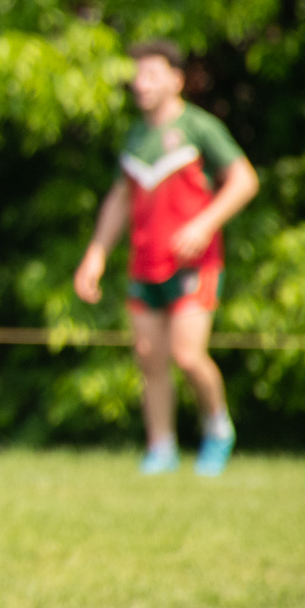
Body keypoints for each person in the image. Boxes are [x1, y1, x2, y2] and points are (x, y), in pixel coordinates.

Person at [75, 39, 259, 476]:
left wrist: (203, 224)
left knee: (187, 355)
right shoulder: (136, 135)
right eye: (138, 75)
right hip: (145, 262)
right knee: (148, 355)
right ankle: (161, 448)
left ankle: (217, 429)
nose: (142, 83)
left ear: (176, 80)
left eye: (152, 74)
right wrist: (96, 255)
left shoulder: (199, 128)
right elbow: (120, 198)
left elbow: (244, 180)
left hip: (195, 265)